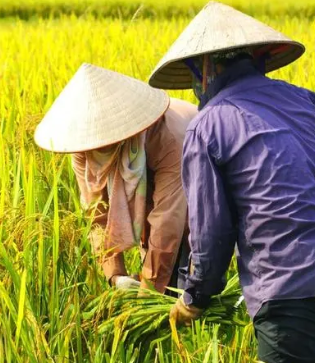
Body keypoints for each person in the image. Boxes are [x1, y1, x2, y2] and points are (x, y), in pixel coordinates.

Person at [150, 2, 315, 362]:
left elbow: (211, 230)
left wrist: (195, 297)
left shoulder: (208, 124)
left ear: (207, 69)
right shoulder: (313, 101)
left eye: (196, 76)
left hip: (289, 279)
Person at [35, 63, 198, 293]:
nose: (100, 145)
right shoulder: (83, 151)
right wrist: (116, 275)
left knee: (185, 282)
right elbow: (96, 214)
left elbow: (168, 219)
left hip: (197, 179)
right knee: (156, 275)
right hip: (151, 185)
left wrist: (149, 287)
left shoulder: (166, 136)